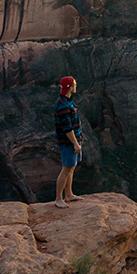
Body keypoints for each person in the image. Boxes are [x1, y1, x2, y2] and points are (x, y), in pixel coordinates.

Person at [54, 75, 84, 208]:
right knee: (66, 169)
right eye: (74, 85)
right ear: (70, 87)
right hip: (68, 142)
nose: (76, 86)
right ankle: (58, 199)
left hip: (73, 141)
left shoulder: (67, 100)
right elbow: (67, 128)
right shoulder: (64, 105)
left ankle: (69, 194)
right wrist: (75, 144)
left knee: (71, 168)